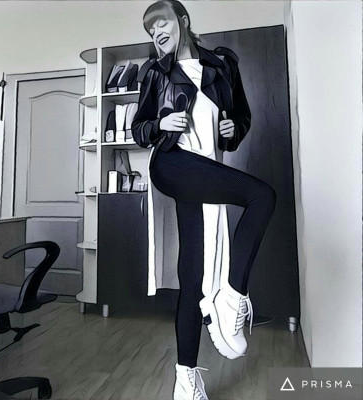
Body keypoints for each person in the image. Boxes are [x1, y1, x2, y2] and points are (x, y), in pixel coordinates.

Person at [131, 1, 276, 399]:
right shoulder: (155, 72)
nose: (157, 34)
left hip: (205, 170)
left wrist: (233, 129)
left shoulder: (223, 65)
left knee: (191, 279)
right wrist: (160, 122)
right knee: (261, 195)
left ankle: (186, 382)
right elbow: (139, 128)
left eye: (161, 24)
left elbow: (241, 117)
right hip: (172, 164)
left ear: (182, 21)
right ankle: (232, 295)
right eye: (151, 31)